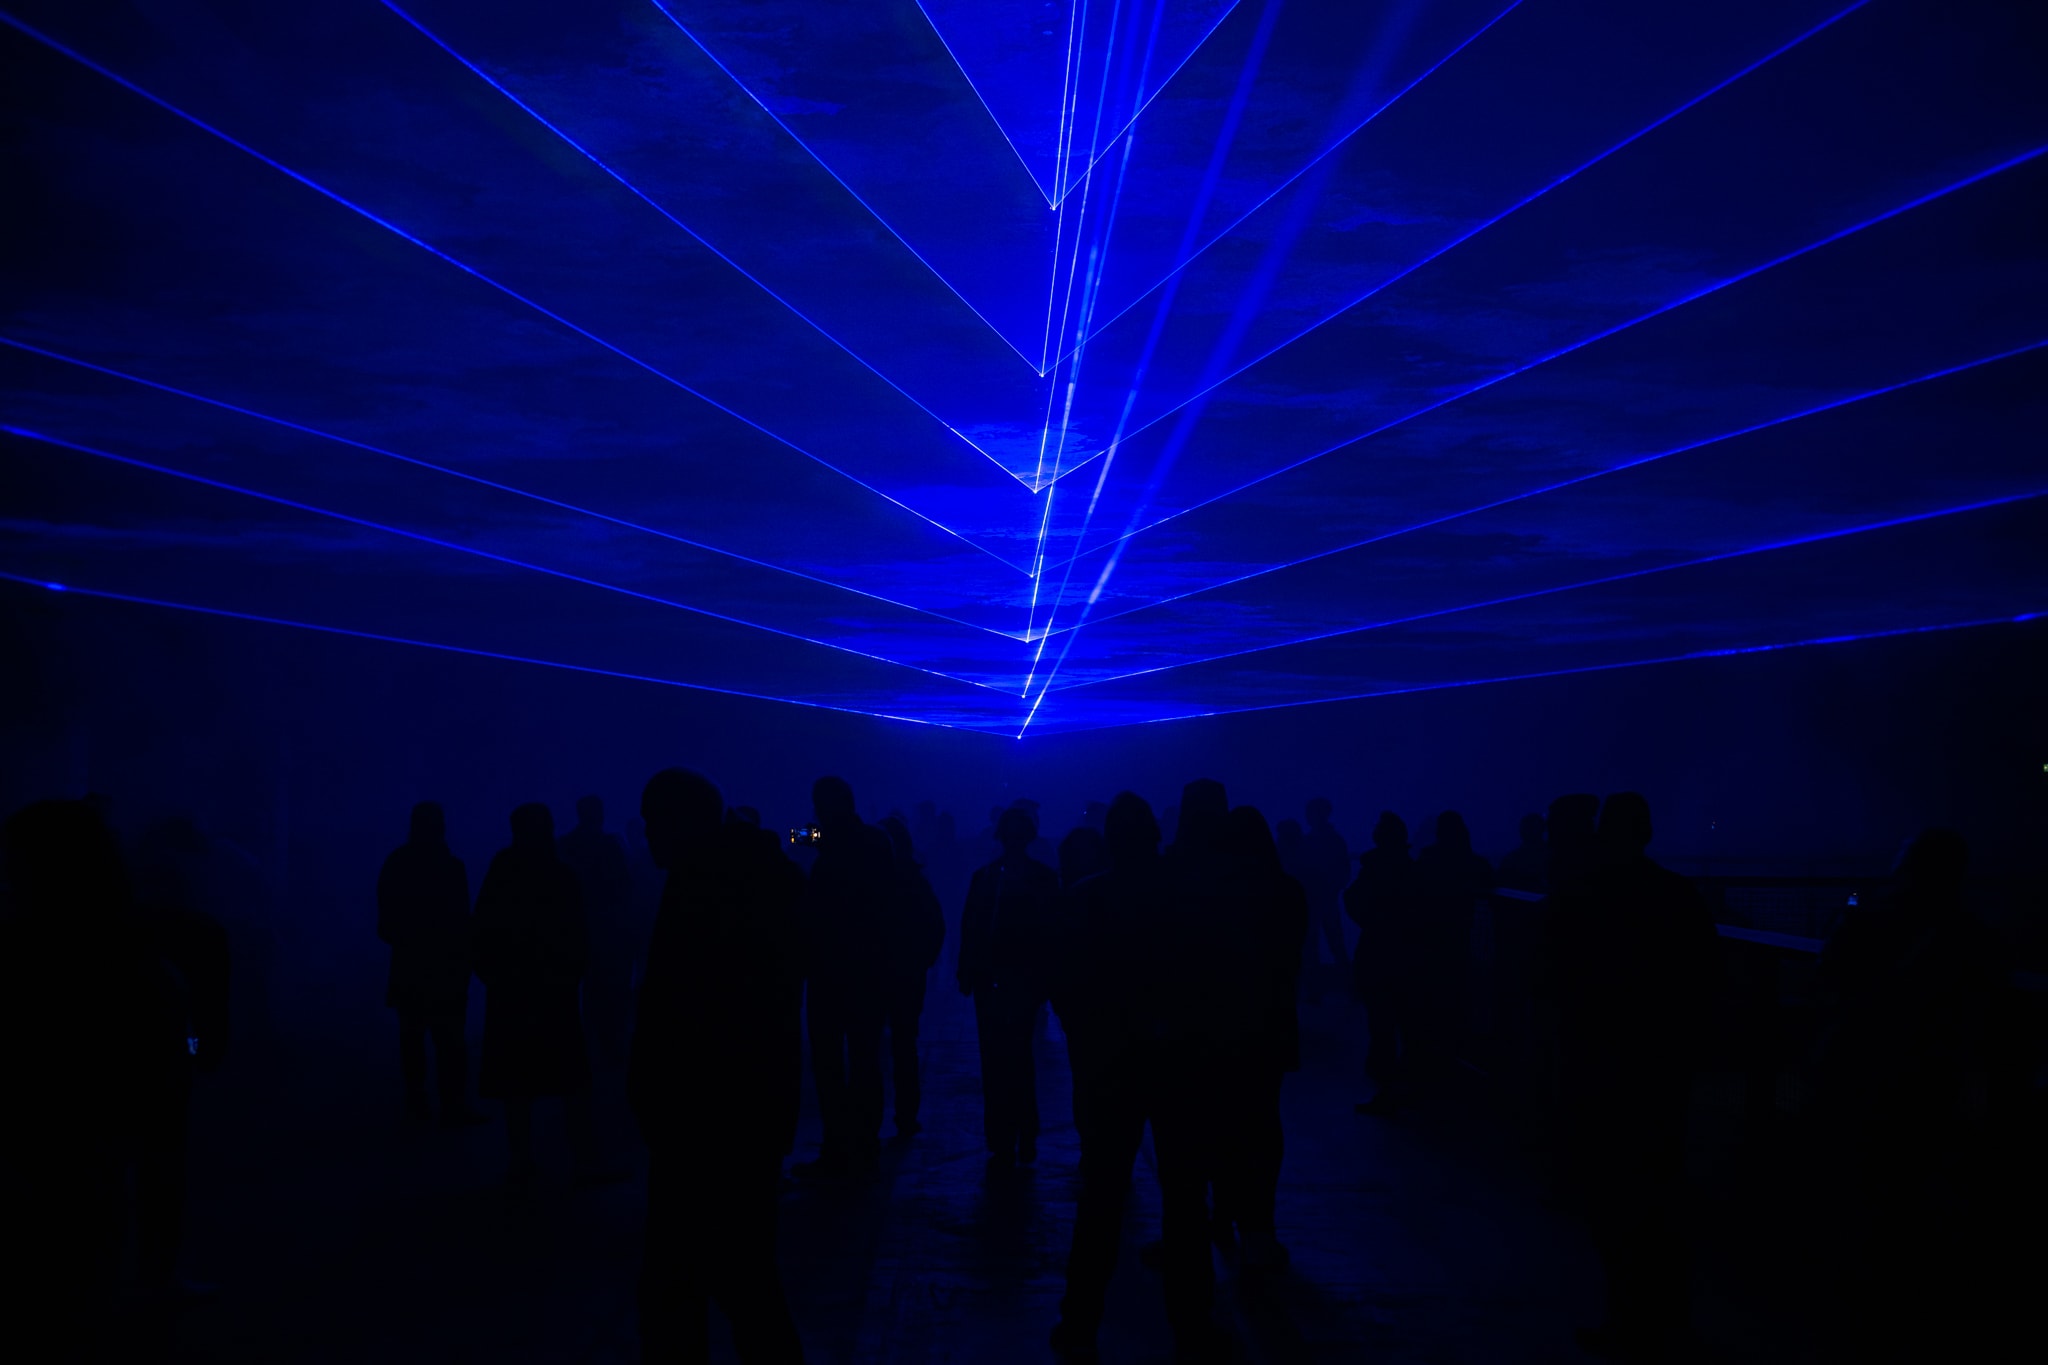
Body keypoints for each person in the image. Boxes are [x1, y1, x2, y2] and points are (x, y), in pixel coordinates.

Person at [631, 767, 806, 1364]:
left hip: (710, 1115)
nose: (647, 835)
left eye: (653, 822)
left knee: (699, 1280)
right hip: (738, 1111)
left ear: (681, 823)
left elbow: (689, 1009)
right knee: (738, 1275)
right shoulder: (754, 875)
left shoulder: (707, 885)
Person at [1810, 827, 1999, 1363]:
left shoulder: (1866, 917)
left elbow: (1828, 975)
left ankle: (1853, 1316)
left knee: (1853, 1191)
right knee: (1907, 1193)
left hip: (1854, 1074)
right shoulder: (1968, 935)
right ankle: (1905, 1313)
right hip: (1924, 1084)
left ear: (1904, 866)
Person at [1548, 793, 1719, 1362]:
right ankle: (1668, 1318)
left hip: (1598, 1062)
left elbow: (1548, 977)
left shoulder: (1582, 895)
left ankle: (1626, 1314)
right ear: (1647, 831)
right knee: (1661, 1191)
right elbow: (1702, 978)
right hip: (1659, 1066)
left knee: (1609, 1197)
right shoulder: (1676, 896)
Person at [1049, 792, 1175, 1362]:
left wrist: (1089, 1040)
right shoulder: (1185, 897)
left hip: (1109, 1062)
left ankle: (1079, 1323)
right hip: (1174, 1060)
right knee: (1184, 1192)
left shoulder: (1085, 899)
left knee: (1100, 1196)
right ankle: (1193, 1325)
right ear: (1153, 836)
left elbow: (1066, 985)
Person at [472, 802, 604, 1189]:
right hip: (553, 992)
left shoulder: (504, 870)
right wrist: (571, 975)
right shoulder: (560, 873)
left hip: (512, 992)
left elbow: (481, 926)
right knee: (570, 1078)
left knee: (517, 1080)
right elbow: (578, 933)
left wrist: (492, 975)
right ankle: (583, 1159)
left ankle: (522, 1159)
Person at [1213, 805, 1308, 1276]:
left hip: (1221, 1024)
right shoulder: (1286, 891)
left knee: (1222, 1122)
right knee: (1263, 1122)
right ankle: (1258, 1226)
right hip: (1268, 1021)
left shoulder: (1214, 895)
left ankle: (1223, 1215)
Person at [798, 777, 895, 1177]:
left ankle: (838, 1143)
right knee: (865, 1057)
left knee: (829, 1062)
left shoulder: (827, 839)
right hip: (868, 967)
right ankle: (865, 1140)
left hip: (829, 967)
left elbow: (792, 837)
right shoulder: (875, 840)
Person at [958, 805, 1060, 1169]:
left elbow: (971, 927)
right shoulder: (1042, 878)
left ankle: (1002, 1135)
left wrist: (966, 970)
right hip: (1019, 979)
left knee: (997, 1057)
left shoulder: (985, 878)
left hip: (996, 978)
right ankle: (1022, 1132)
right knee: (1018, 1056)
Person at [377, 802, 484, 1126]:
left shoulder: (397, 863)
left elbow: (385, 925)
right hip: (447, 969)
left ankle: (417, 1106)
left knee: (412, 1038)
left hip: (410, 966)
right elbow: (463, 923)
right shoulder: (451, 867)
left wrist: (409, 941)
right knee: (450, 1039)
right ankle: (452, 1106)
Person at [1397, 811, 1492, 1109]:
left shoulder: (1427, 861)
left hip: (1426, 946)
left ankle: (1424, 1067)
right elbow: (1488, 880)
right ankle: (1450, 1062)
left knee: (1425, 1007)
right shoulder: (1473, 863)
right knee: (1453, 1004)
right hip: (1458, 946)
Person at [877, 814, 945, 1140]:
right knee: (904, 1046)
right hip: (907, 973)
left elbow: (798, 837)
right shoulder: (916, 879)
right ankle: (906, 1116)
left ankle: (867, 1120)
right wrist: (921, 963)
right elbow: (935, 926)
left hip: (872, 972)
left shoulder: (868, 877)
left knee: (869, 1047)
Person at [559, 795, 636, 1065]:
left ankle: (587, 1044)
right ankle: (609, 1044)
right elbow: (626, 887)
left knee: (589, 988)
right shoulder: (610, 845)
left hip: (578, 929)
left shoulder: (566, 846)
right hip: (608, 929)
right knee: (611, 987)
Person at [1348, 812, 1416, 1113]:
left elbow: (1354, 899)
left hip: (1377, 952)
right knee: (1404, 1023)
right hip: (1407, 953)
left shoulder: (1373, 868)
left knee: (1382, 1022)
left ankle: (1387, 1085)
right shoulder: (1412, 870)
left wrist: (1372, 921)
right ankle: (1402, 1086)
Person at [1300, 798, 1353, 997]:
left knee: (1318, 945)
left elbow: (1343, 872)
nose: (1309, 815)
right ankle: (1349, 988)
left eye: (1311, 812)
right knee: (1330, 944)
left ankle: (1315, 992)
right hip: (1322, 899)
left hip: (1318, 900)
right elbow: (1344, 871)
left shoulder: (1316, 841)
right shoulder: (1333, 840)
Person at [1497, 812, 1550, 894]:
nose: (1529, 831)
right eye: (1528, 828)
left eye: (1532, 828)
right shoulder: (1511, 859)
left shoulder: (1511, 859)